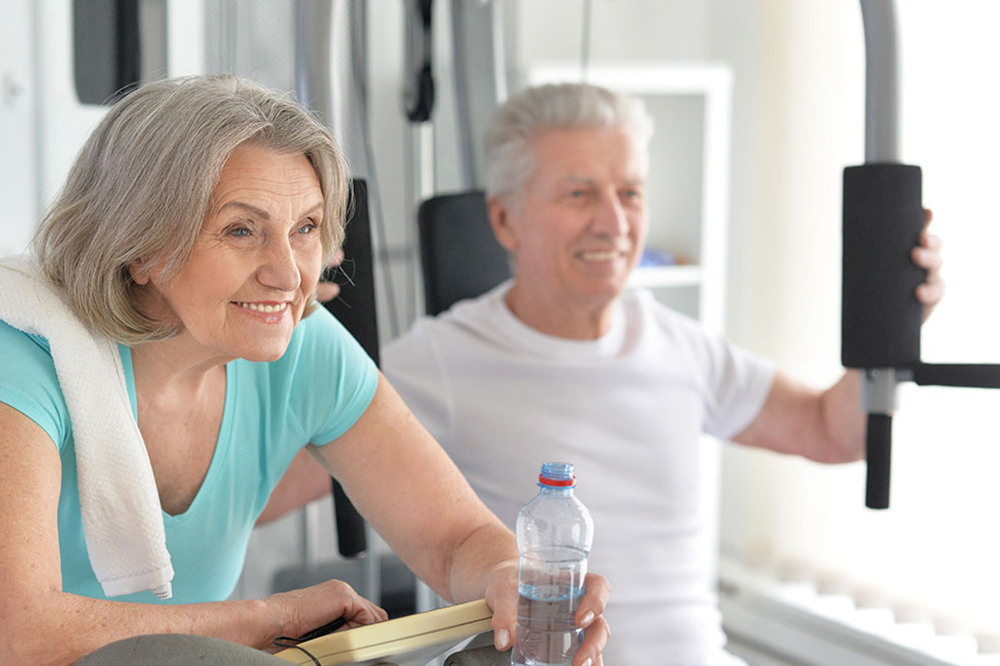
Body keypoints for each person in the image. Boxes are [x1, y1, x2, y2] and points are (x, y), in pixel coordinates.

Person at [0, 75, 610, 666]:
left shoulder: (303, 344)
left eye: (306, 229)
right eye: (242, 230)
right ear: (139, 247)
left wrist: (508, 576)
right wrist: (266, 619)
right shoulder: (23, 359)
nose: (289, 275)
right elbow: (20, 638)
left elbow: (456, 541)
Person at [377, 83, 944, 666]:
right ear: (504, 218)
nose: (614, 222)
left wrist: (893, 320)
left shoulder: (680, 344)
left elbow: (836, 430)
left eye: (630, 192)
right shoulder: (440, 359)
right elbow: (291, 465)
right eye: (579, 194)